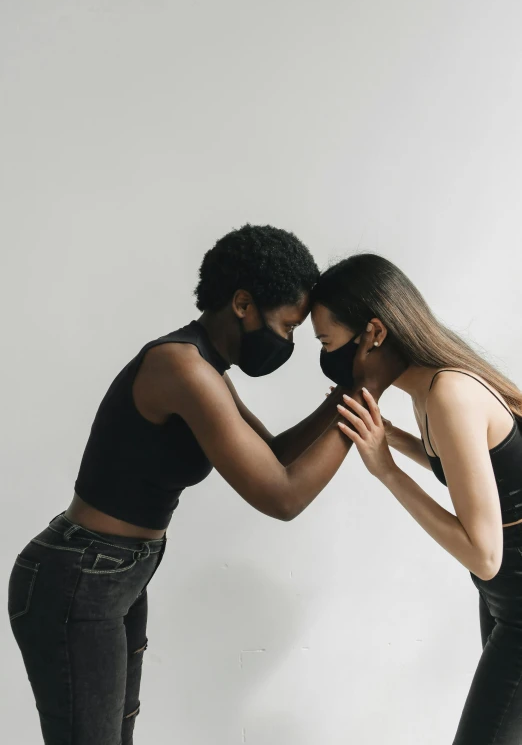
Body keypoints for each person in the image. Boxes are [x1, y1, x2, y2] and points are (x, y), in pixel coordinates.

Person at [8, 225, 403, 745]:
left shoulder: (209, 370)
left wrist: (344, 398)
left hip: (113, 572)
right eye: (286, 327)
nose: (286, 344)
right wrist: (370, 388)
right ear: (243, 303)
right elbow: (282, 496)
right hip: (81, 577)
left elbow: (275, 456)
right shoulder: (182, 368)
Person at [311, 252, 522, 745]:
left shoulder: (449, 392)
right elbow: (472, 472)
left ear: (375, 332)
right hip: (502, 599)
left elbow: (485, 555)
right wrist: (395, 438)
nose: (324, 356)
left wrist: (386, 471)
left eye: (327, 342)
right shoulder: (428, 388)